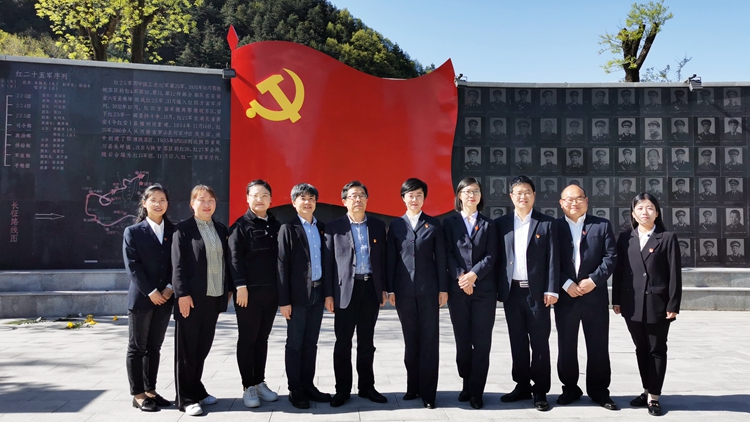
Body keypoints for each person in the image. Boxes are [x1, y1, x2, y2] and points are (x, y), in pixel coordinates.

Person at [612, 193, 682, 417]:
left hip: (657, 303)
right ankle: (645, 390)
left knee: (656, 350)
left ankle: (654, 396)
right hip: (631, 303)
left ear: (657, 213)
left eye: (650, 207)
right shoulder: (626, 238)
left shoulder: (667, 238)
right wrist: (616, 299)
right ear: (633, 214)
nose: (645, 212)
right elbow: (619, 271)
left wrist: (673, 304)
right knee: (641, 349)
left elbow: (674, 274)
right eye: (640, 208)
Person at [496, 175, 558, 412]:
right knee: (518, 341)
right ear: (511, 196)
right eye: (518, 193)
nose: (523, 197)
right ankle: (521, 385)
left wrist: (551, 289)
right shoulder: (501, 224)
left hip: (538, 294)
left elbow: (553, 259)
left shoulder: (547, 223)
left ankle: (540, 390)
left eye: (527, 192)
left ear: (534, 195)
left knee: (540, 342)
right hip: (512, 292)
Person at [324, 181, 388, 407]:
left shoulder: (378, 226)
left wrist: (384, 288)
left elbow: (383, 260)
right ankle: (342, 390)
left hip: (370, 289)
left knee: (367, 342)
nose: (358, 199)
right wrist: (328, 294)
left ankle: (366, 387)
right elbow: (328, 263)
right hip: (344, 292)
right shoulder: (334, 227)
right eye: (353, 196)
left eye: (362, 195)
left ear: (367, 200)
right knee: (343, 342)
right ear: (344, 201)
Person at [386, 178, 448, 410]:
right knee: (410, 341)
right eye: (410, 195)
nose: (414, 199)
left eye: (419, 195)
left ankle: (429, 393)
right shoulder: (396, 225)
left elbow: (441, 259)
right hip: (403, 292)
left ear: (424, 198)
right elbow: (390, 259)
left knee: (429, 342)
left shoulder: (433, 224)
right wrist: (390, 289)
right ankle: (413, 387)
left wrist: (443, 289)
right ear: (403, 198)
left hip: (429, 292)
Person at [554, 184, 618, 410]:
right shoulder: (554, 227)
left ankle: (599, 391)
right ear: (561, 203)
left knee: (598, 345)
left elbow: (611, 257)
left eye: (579, 198)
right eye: (569, 199)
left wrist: (594, 280)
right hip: (566, 296)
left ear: (587, 201)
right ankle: (570, 388)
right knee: (566, 345)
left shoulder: (601, 225)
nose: (574, 203)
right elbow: (549, 259)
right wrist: (565, 283)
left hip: (594, 296)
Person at [172, 184, 232, 416]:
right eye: (201, 200)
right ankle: (185, 398)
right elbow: (177, 265)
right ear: (192, 204)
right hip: (191, 299)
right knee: (187, 350)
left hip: (213, 297)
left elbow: (227, 262)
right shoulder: (182, 230)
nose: (206, 204)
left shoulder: (220, 228)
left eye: (210, 200)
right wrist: (182, 294)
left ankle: (196, 389)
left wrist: (228, 290)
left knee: (202, 348)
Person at [443, 177, 498, 409]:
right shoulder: (449, 223)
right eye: (467, 191)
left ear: (480, 196)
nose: (471, 195)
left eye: (475, 191)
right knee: (463, 342)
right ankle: (466, 381)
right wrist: (461, 277)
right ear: (459, 195)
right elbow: (447, 253)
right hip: (458, 291)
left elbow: (492, 255)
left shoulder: (489, 224)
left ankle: (477, 391)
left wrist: (474, 275)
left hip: (484, 291)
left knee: (482, 343)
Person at [277, 183, 331, 409]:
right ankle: (295, 389)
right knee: (295, 343)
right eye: (302, 198)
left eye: (311, 198)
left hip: (318, 293)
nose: (307, 202)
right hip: (297, 296)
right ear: (294, 202)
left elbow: (328, 263)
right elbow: (281, 266)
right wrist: (284, 301)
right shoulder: (288, 229)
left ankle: (308, 385)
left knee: (311, 342)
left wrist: (328, 294)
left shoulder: (323, 228)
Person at [228, 180, 281, 408]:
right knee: (248, 339)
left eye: (265, 195)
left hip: (271, 293)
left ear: (271, 199)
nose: (260, 199)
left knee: (262, 338)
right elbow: (234, 259)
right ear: (247, 198)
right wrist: (240, 286)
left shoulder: (276, 225)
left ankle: (259, 381)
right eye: (255, 195)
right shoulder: (240, 226)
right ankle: (248, 385)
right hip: (247, 294)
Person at [123, 184, 174, 412]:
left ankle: (151, 390)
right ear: (144, 203)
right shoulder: (133, 232)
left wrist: (170, 288)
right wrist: (152, 291)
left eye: (162, 200)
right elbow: (133, 266)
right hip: (143, 299)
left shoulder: (174, 231)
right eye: (153, 200)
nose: (158, 204)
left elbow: (179, 262)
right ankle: (138, 394)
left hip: (166, 298)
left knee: (155, 347)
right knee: (137, 347)